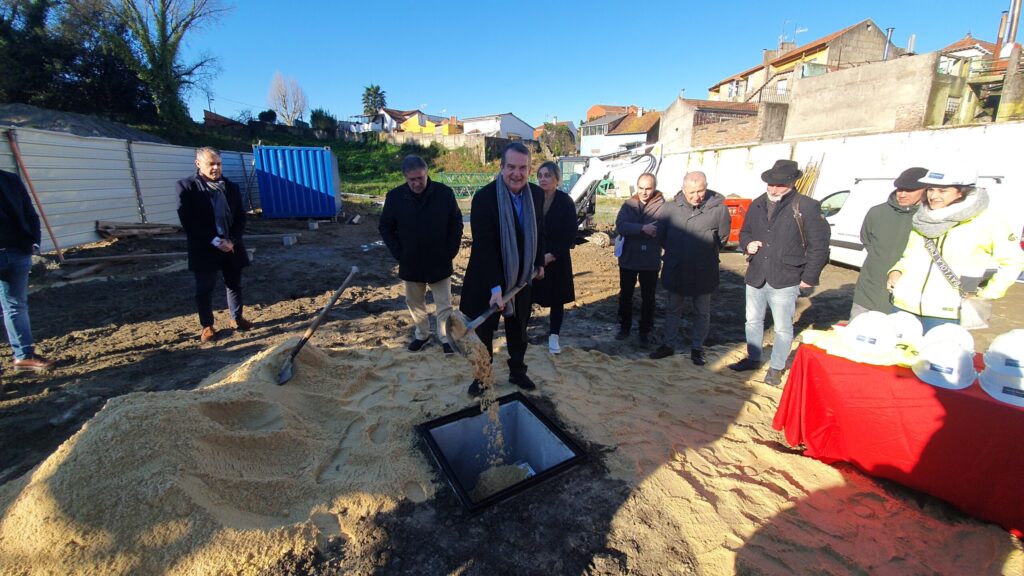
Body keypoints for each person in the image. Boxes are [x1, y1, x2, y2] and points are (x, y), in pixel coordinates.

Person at [729, 159, 830, 386]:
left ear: (792, 183)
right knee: (752, 321)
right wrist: (747, 244)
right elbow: (745, 232)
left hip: (786, 276)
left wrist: (809, 277)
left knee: (783, 327)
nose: (773, 189)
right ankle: (754, 357)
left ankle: (776, 367)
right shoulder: (757, 204)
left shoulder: (806, 206)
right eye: (770, 184)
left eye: (779, 185)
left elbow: (819, 245)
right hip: (756, 274)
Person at [887, 167, 1023, 331]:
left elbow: (1013, 261)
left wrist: (988, 294)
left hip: (947, 313)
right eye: (930, 189)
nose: (933, 196)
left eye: (942, 191)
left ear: (961, 192)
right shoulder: (922, 218)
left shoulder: (989, 221)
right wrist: (896, 271)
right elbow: (909, 256)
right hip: (904, 306)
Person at [460, 142, 545, 396]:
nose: (516, 173)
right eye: (511, 167)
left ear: (530, 169)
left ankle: (518, 371)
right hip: (487, 277)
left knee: (519, 329)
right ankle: (482, 378)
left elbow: (539, 231)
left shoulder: (536, 195)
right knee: (485, 332)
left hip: (521, 278)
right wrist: (496, 287)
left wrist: (538, 262)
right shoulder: (484, 198)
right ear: (501, 167)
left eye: (522, 168)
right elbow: (484, 246)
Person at [379, 155, 463, 354]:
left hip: (439, 259)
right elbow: (385, 227)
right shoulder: (395, 197)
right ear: (405, 177)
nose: (417, 183)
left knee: (444, 304)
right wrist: (400, 253)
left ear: (427, 174)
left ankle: (445, 338)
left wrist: (451, 251)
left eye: (421, 178)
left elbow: (456, 223)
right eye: (412, 180)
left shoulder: (444, 194)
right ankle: (422, 335)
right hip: (411, 260)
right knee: (415, 303)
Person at [650, 171, 731, 365]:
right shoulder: (669, 208)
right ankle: (668, 344)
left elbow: (722, 238)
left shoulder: (719, 210)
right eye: (691, 192)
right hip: (676, 267)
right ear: (683, 189)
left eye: (700, 191)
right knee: (673, 309)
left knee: (702, 311)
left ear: (707, 186)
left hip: (704, 270)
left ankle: (697, 348)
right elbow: (661, 235)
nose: (696, 196)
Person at [176, 147, 251, 343]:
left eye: (218, 163)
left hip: (231, 246)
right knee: (205, 288)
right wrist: (216, 241)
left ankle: (236, 318)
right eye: (211, 164)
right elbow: (189, 222)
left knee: (234, 284)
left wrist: (231, 240)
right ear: (198, 163)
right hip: (204, 247)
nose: (216, 168)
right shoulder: (187, 187)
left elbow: (240, 217)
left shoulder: (230, 187)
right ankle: (207, 325)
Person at [850, 167, 928, 319]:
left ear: (926, 190)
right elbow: (867, 240)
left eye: (909, 190)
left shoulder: (929, 219)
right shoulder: (877, 213)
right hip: (869, 289)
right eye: (899, 189)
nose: (902, 194)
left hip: (906, 297)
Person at [0, 169, 53, 374]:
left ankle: (24, 356)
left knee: (15, 306)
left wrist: (34, 243)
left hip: (16, 252)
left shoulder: (10, 180)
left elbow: (30, 214)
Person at [530, 161, 577, 354]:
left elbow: (570, 233)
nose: (543, 179)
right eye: (540, 175)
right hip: (533, 257)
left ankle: (554, 337)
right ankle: (521, 334)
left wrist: (551, 255)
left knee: (557, 299)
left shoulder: (565, 201)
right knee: (527, 296)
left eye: (547, 175)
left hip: (557, 259)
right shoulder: (532, 198)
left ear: (557, 179)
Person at [614, 173, 665, 347]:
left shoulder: (663, 207)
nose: (644, 192)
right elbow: (621, 226)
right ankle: (624, 327)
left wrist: (635, 229)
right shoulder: (628, 205)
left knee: (648, 297)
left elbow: (661, 228)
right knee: (626, 295)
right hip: (629, 258)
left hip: (650, 261)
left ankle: (645, 331)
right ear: (637, 187)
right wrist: (642, 228)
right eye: (641, 188)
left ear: (654, 187)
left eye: (648, 188)